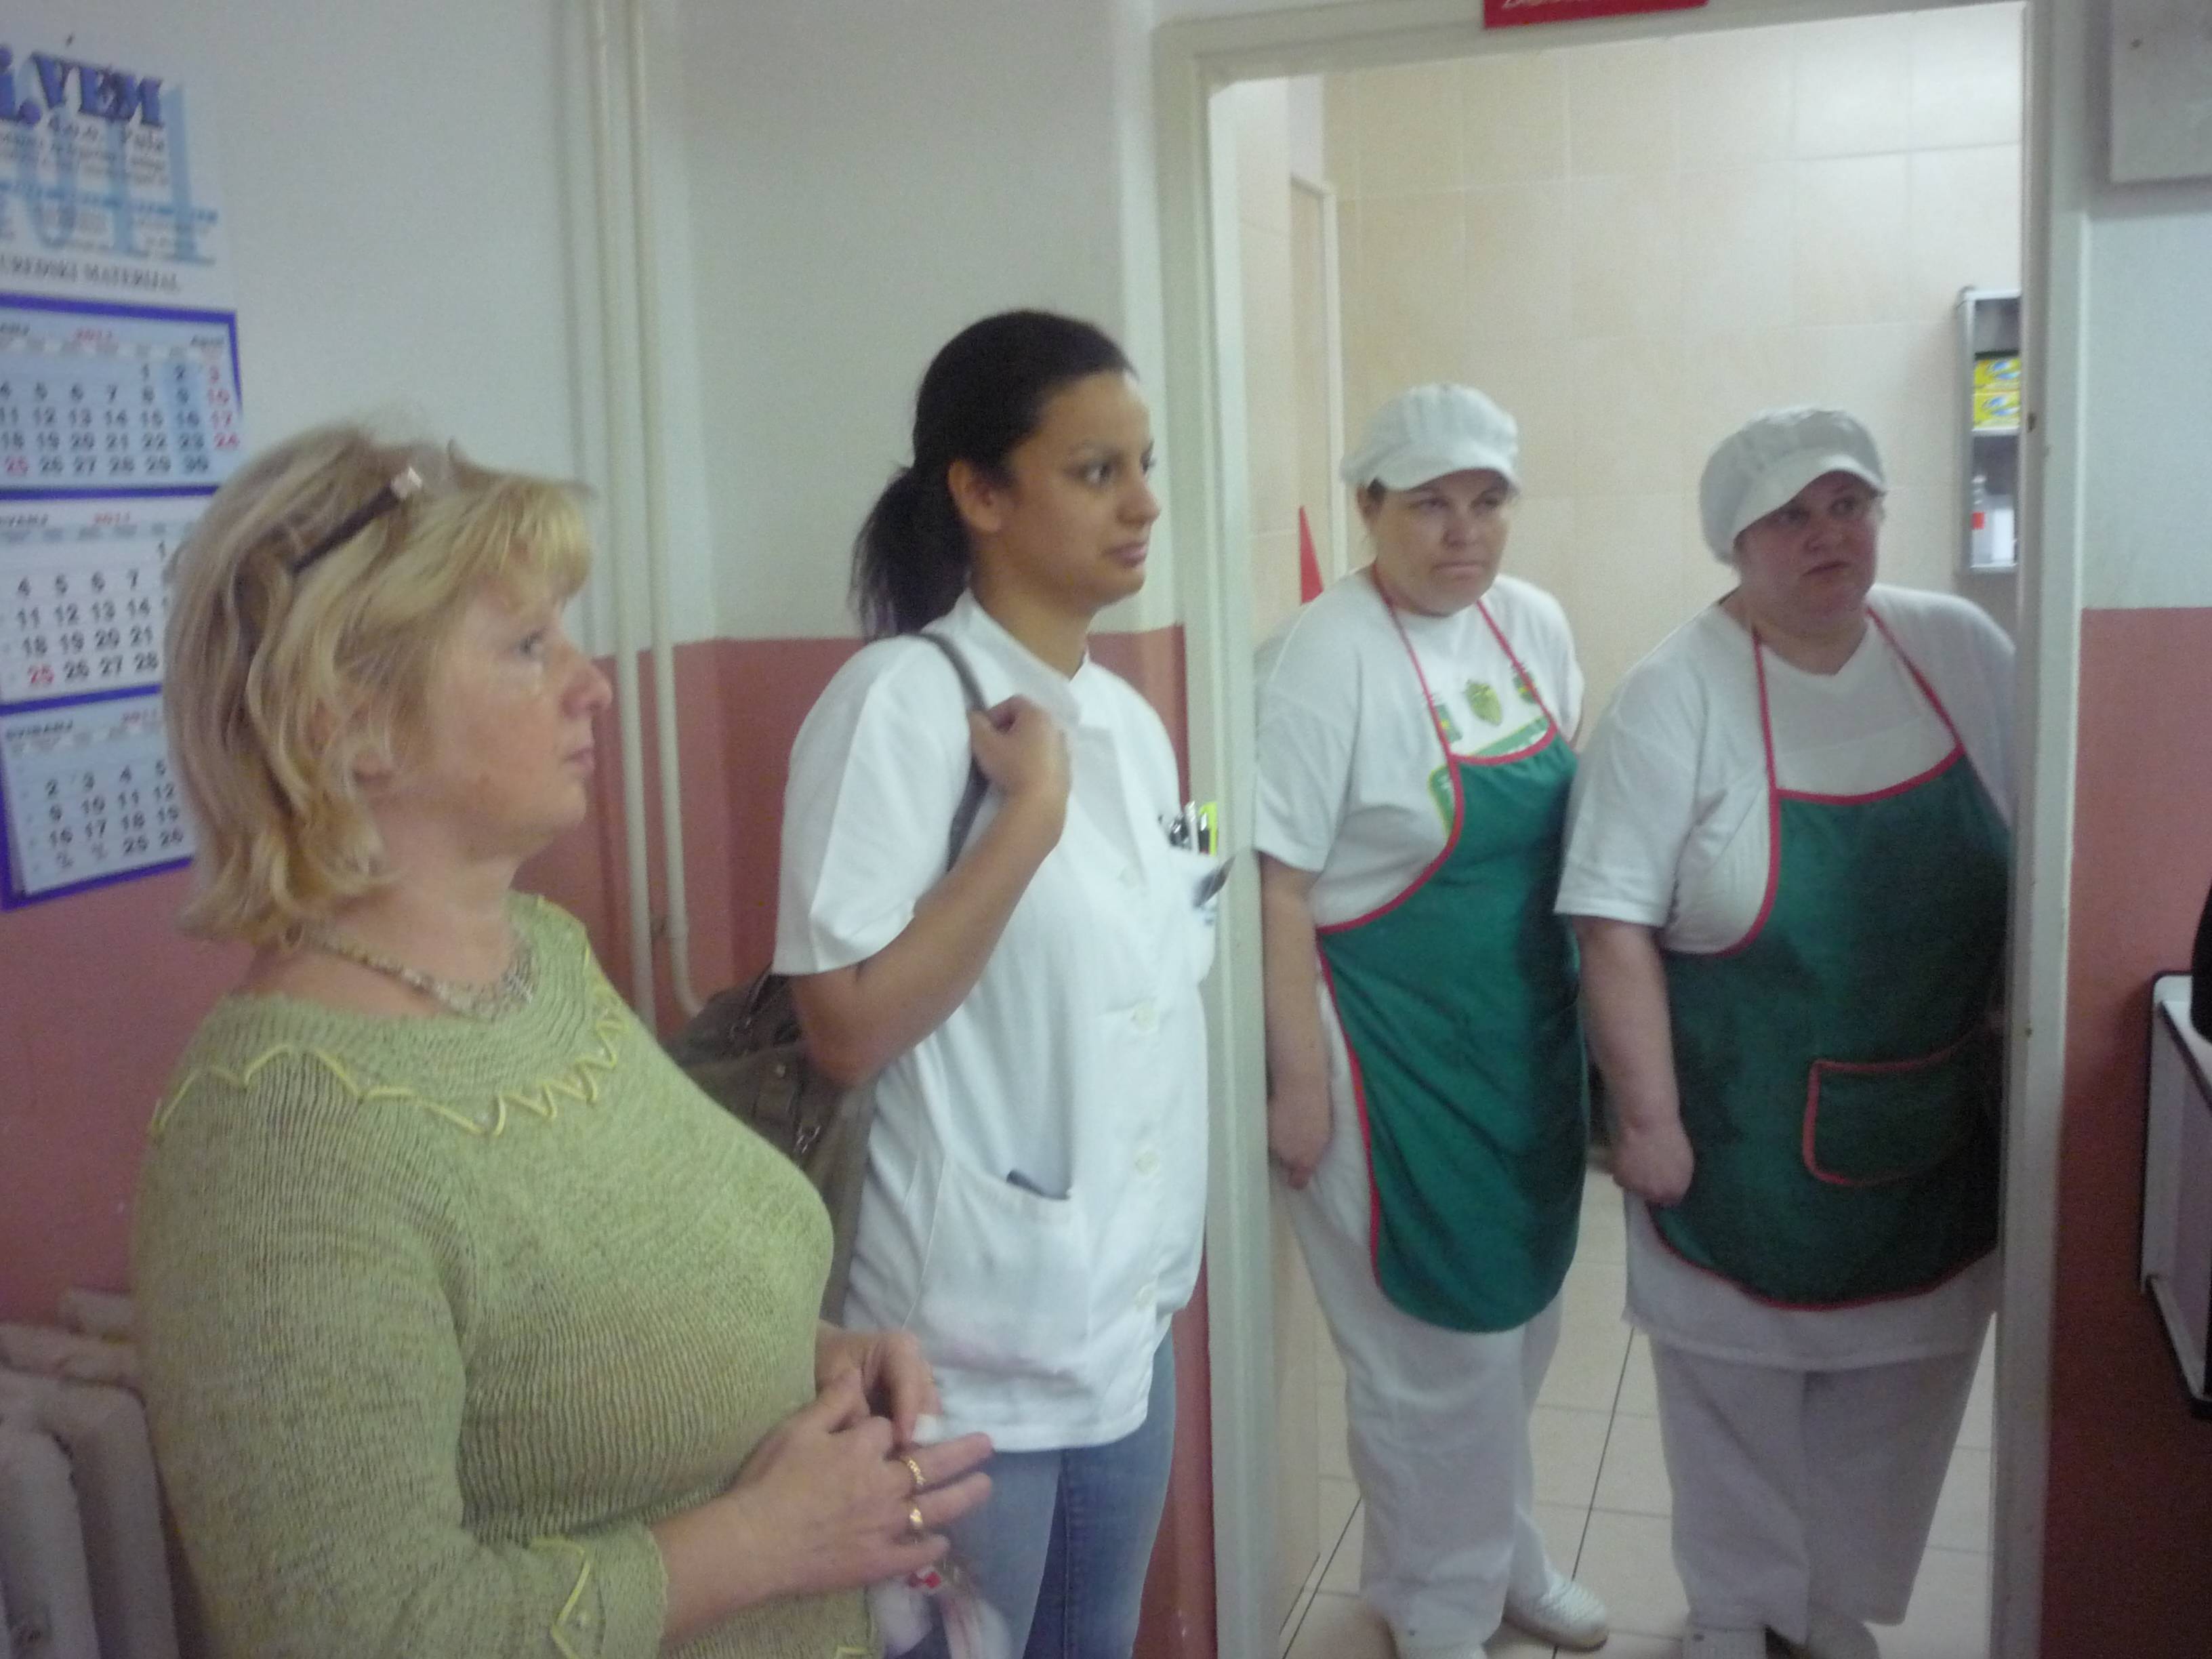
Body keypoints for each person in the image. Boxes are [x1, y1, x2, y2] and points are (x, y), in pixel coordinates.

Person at [134, 425, 992, 1659]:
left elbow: (600, 1327)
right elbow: (357, 1631)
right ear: (350, 722)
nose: (593, 684)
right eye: (527, 646)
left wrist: (812, 1357)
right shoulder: (278, 1146)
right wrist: (763, 1542)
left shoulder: (540, 963)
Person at [775, 311, 1215, 1659]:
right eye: (1095, 471)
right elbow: (844, 1027)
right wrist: (1024, 823)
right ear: (979, 492)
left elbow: (1165, 965)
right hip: (958, 1356)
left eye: (1145, 466)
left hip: (1124, 1329)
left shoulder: (1131, 725)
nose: (1143, 504)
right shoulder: (898, 704)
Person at [1559, 408, 2013, 1659]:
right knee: (1735, 1399)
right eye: (1791, 517)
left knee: (1901, 1390)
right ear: (1734, 544)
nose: (1828, 536)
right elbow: (1610, 926)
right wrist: (1647, 1121)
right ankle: (1737, 1616)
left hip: (1930, 1122)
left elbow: (2045, 856)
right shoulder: (1673, 696)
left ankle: (1828, 1610)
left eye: (1849, 505)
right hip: (1740, 1134)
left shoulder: (1959, 651)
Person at [1253, 384, 1610, 1658]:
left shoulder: (1533, 626)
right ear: (1370, 508)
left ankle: (1501, 1561)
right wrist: (1297, 1087)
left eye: (1487, 502)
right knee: (1429, 1363)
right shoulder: (1322, 658)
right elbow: (1274, 886)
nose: (1464, 533)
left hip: (1521, 1044)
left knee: (1520, 1331)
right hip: (1381, 1055)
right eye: (1429, 505)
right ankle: (1438, 1609)